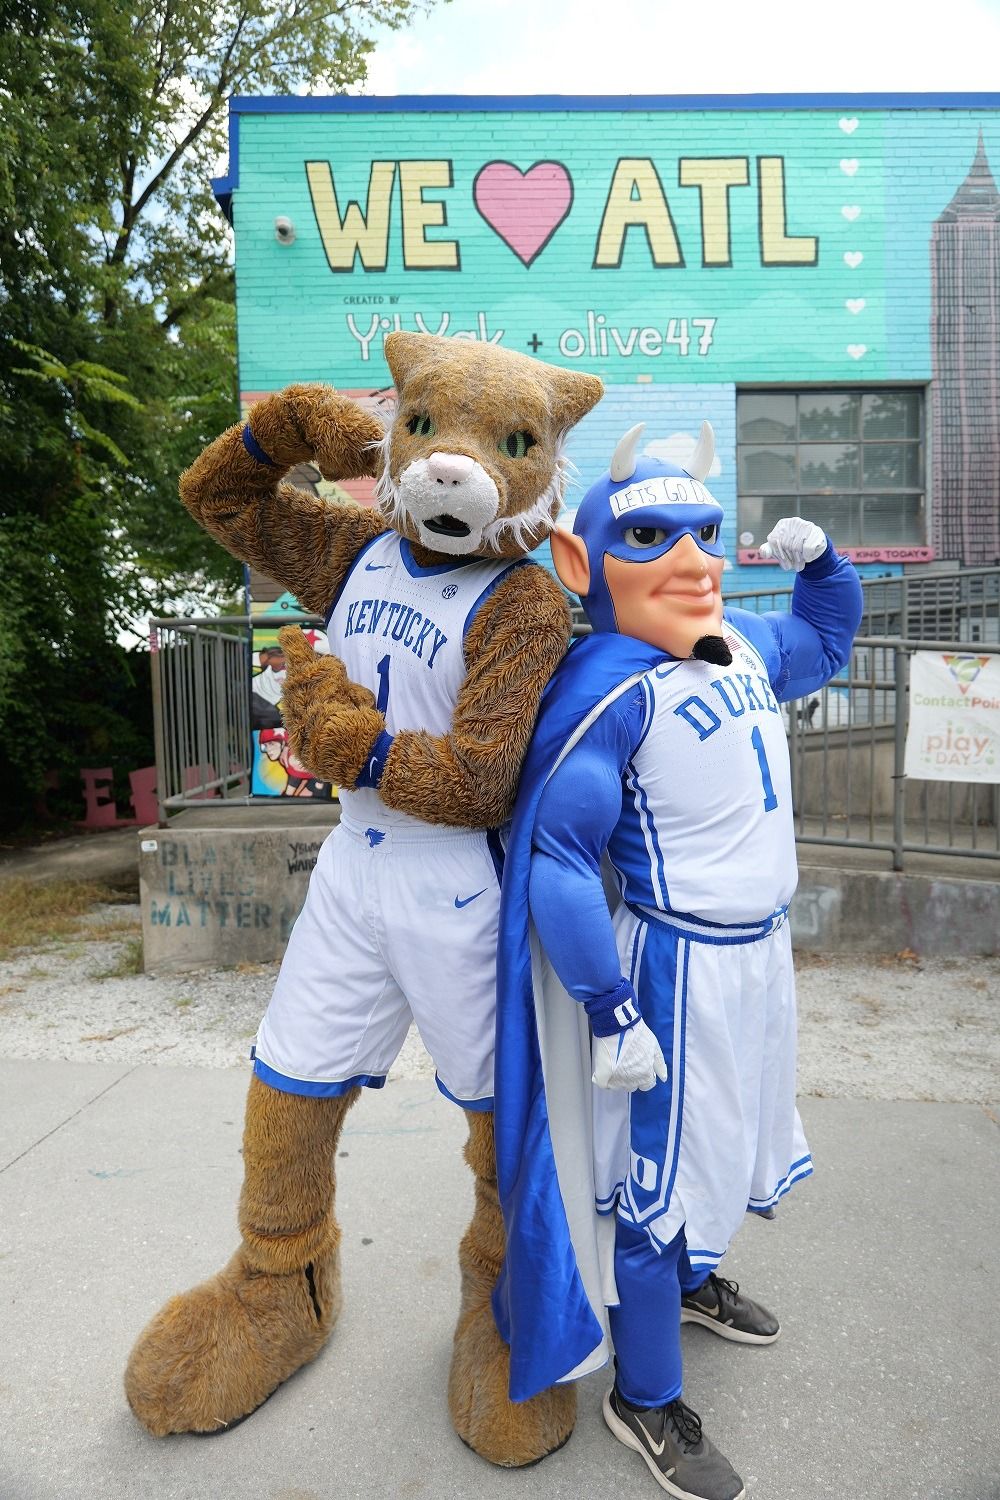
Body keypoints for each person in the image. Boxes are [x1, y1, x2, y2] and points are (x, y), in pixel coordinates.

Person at [492, 422, 863, 1500]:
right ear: (582, 563)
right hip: (676, 964)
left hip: (761, 957)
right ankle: (644, 1396)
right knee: (655, 1180)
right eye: (652, 535)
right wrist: (608, 1008)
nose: (694, 560)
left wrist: (825, 564)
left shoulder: (740, 641)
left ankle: (690, 1281)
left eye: (701, 533)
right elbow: (556, 857)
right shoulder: (607, 686)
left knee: (733, 1140)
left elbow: (826, 641)